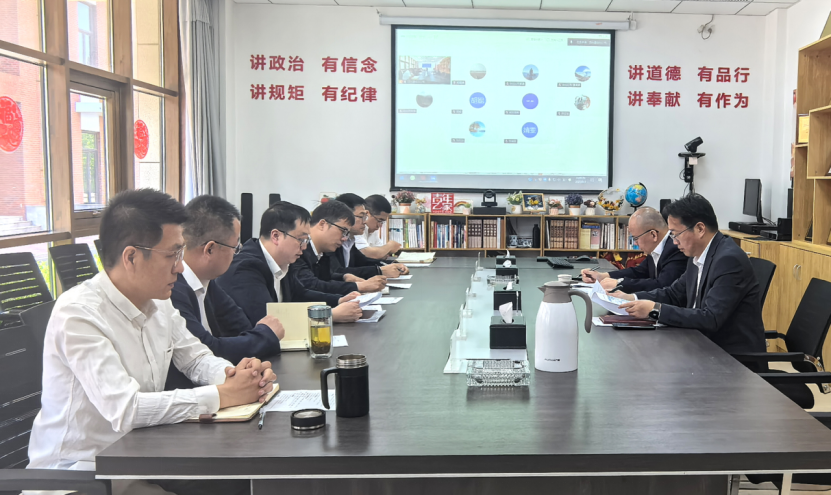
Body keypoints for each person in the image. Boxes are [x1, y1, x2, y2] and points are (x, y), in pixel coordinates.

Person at [27, 189, 275, 495]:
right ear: (131, 257)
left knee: (241, 481)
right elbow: (126, 409)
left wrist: (234, 375)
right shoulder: (79, 314)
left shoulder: (159, 302)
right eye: (172, 255)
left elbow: (196, 359)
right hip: (81, 476)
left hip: (140, 456)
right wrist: (222, 395)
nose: (180, 267)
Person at [615, 194, 766, 355]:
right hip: (699, 343)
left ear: (700, 229)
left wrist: (655, 310)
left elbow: (711, 318)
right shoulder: (698, 256)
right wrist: (632, 298)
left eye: (676, 234)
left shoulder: (728, 260)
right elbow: (673, 294)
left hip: (730, 358)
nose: (674, 242)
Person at [166, 196, 286, 390]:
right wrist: (266, 335)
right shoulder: (171, 289)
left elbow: (241, 327)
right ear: (210, 249)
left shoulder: (208, 282)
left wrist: (250, 364)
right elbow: (208, 348)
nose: (236, 254)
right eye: (235, 248)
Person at [217, 201, 362, 325]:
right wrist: (329, 315)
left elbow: (300, 294)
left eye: (306, 241)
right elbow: (265, 320)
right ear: (276, 236)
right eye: (301, 240)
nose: (304, 247)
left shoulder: (284, 261)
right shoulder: (246, 268)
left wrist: (339, 300)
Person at [289, 200, 386, 295]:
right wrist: (358, 286)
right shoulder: (299, 249)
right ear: (322, 224)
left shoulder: (323, 252)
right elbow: (310, 285)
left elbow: (325, 279)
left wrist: (344, 277)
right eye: (343, 231)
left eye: (347, 233)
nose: (344, 238)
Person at [581, 207, 686, 293]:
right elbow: (639, 271)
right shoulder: (656, 247)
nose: (635, 243)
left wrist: (620, 284)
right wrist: (603, 276)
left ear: (653, 235)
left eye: (636, 238)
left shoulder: (676, 248)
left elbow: (663, 285)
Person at [332, 193, 409, 279]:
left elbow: (364, 261)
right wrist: (379, 271)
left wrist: (393, 265)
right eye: (362, 216)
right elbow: (336, 272)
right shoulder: (332, 241)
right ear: (344, 216)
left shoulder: (349, 240)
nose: (365, 222)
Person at [355, 194, 402, 259]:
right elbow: (368, 254)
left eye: (383, 222)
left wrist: (384, 251)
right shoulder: (356, 229)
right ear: (367, 214)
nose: (380, 225)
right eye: (379, 220)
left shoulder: (372, 231)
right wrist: (390, 246)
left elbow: (381, 253)